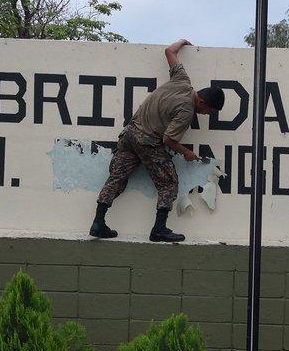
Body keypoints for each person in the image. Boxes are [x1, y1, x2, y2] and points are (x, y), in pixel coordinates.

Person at [89, 39, 225, 243]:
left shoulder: (182, 80)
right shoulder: (187, 111)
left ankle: (98, 222)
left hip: (129, 134)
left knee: (116, 179)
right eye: (208, 111)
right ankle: (159, 229)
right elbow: (168, 139)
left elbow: (169, 51)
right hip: (147, 141)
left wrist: (181, 42)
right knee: (169, 182)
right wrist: (186, 152)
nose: (207, 114)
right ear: (202, 101)